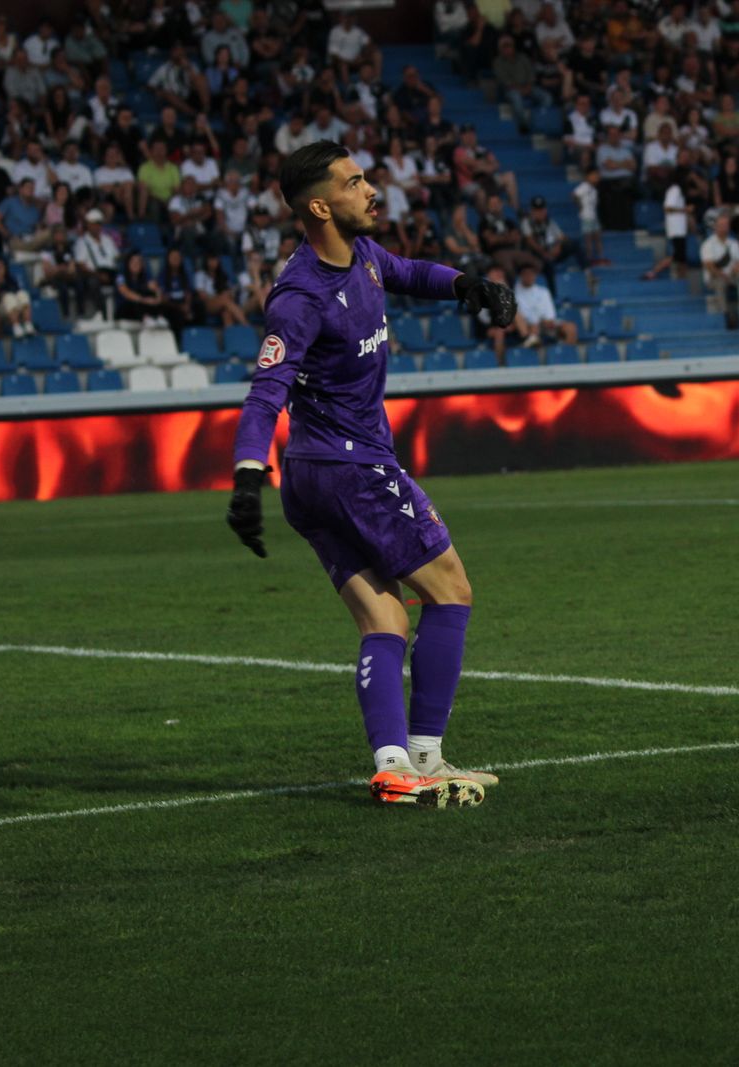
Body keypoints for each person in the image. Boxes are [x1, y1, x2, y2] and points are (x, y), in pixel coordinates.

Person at [224, 141, 517, 808]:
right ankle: (428, 756)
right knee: (451, 589)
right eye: (356, 183)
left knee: (385, 619)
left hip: (312, 479)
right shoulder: (300, 296)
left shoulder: (363, 257)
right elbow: (265, 390)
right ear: (321, 205)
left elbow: (410, 270)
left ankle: (392, 766)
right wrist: (245, 477)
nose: (373, 190)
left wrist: (466, 284)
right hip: (352, 470)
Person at [512, 263, 578, 350]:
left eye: (531, 274)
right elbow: (521, 316)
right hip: (528, 326)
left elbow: (550, 314)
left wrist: (547, 321)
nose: (529, 276)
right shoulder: (515, 294)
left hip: (545, 324)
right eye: (526, 274)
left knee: (570, 327)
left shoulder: (544, 292)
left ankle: (568, 357)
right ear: (521, 276)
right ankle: (533, 348)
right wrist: (536, 322)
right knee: (533, 327)